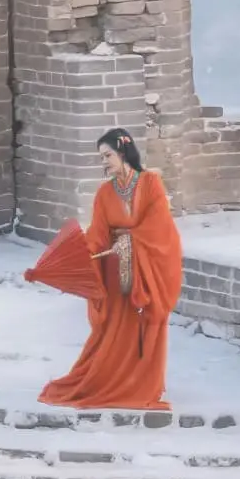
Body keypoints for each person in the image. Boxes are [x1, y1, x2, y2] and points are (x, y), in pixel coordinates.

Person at [38, 129, 183, 410]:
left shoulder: (151, 182)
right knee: (115, 329)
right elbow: (98, 235)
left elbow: (160, 226)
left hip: (145, 270)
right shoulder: (105, 192)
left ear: (123, 151)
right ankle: (107, 381)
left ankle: (140, 384)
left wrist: (130, 241)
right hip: (115, 272)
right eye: (101, 157)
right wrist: (79, 256)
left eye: (107, 155)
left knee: (143, 325)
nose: (104, 162)